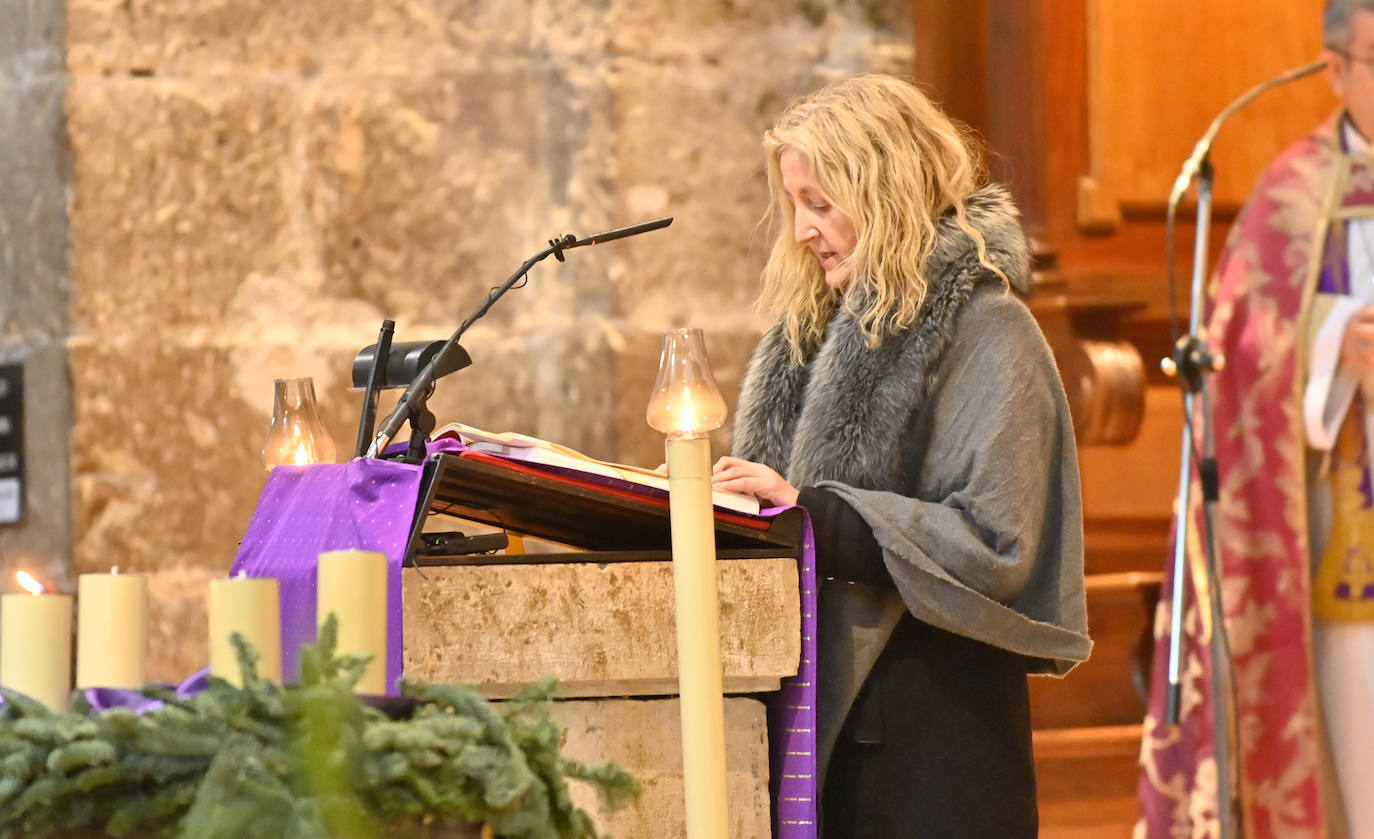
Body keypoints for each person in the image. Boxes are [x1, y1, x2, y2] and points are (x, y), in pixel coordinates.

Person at [709, 74, 1091, 838]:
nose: (803, 230)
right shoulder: (812, 333)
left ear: (887, 189)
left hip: (934, 748)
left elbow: (998, 542)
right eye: (794, 205)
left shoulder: (991, 329)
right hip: (820, 728)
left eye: (821, 203)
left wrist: (806, 508)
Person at [1138, 3, 1374, 837]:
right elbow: (1238, 356)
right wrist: (1331, 345)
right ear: (1335, 69)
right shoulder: (1293, 197)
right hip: (1349, 544)